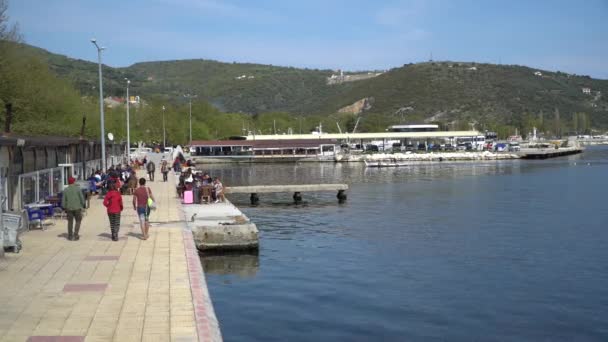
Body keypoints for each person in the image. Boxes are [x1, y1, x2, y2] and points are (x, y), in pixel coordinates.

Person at [61, 177, 85, 241]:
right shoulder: (78, 189)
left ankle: (70, 236)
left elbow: (63, 200)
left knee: (70, 222)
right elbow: (82, 198)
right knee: (78, 220)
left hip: (69, 208)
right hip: (77, 207)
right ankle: (76, 234)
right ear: (74, 182)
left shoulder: (66, 190)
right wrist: (83, 205)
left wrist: (64, 207)